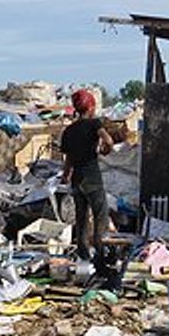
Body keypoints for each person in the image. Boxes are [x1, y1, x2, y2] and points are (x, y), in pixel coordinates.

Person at [60, 89, 117, 290]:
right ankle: (102, 262)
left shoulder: (68, 131)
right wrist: (105, 150)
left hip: (77, 181)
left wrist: (65, 177)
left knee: (81, 219)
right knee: (101, 217)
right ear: (91, 107)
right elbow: (108, 141)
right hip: (92, 178)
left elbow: (68, 160)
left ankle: (84, 259)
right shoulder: (94, 124)